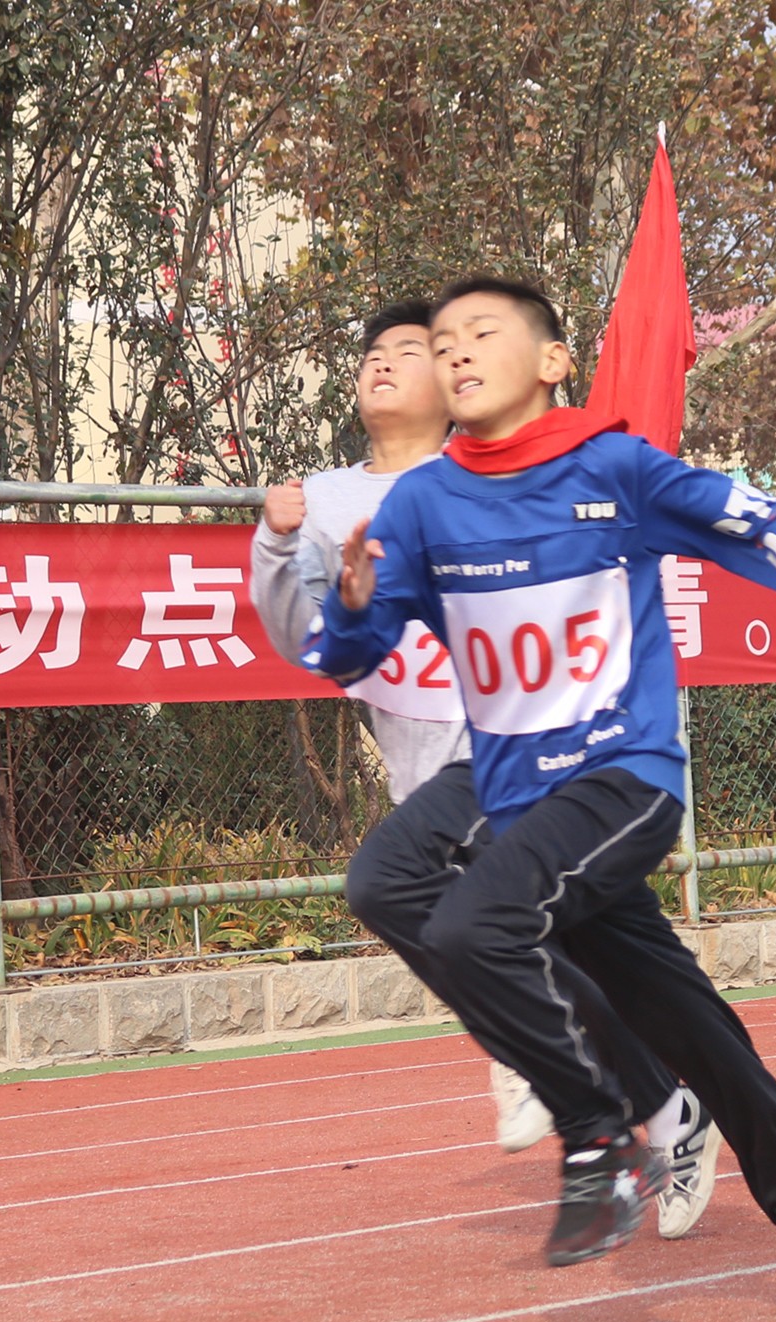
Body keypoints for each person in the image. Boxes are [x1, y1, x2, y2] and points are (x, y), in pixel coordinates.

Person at [306, 276, 776, 1317]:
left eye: (480, 335)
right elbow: (348, 651)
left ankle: (599, 1135)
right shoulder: (421, 503)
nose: (454, 354)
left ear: (550, 361)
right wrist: (353, 606)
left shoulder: (611, 467)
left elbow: (764, 525)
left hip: (622, 776)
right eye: (440, 342)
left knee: (471, 924)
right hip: (514, 797)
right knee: (671, 1013)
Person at [249, 298, 722, 1238]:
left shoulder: (499, 477)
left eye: (416, 351)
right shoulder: (328, 500)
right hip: (423, 772)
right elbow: (305, 636)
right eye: (374, 353)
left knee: (474, 927)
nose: (389, 364)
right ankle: (665, 1108)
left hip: (516, 755)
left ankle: (588, 1095)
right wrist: (274, 544)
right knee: (554, 954)